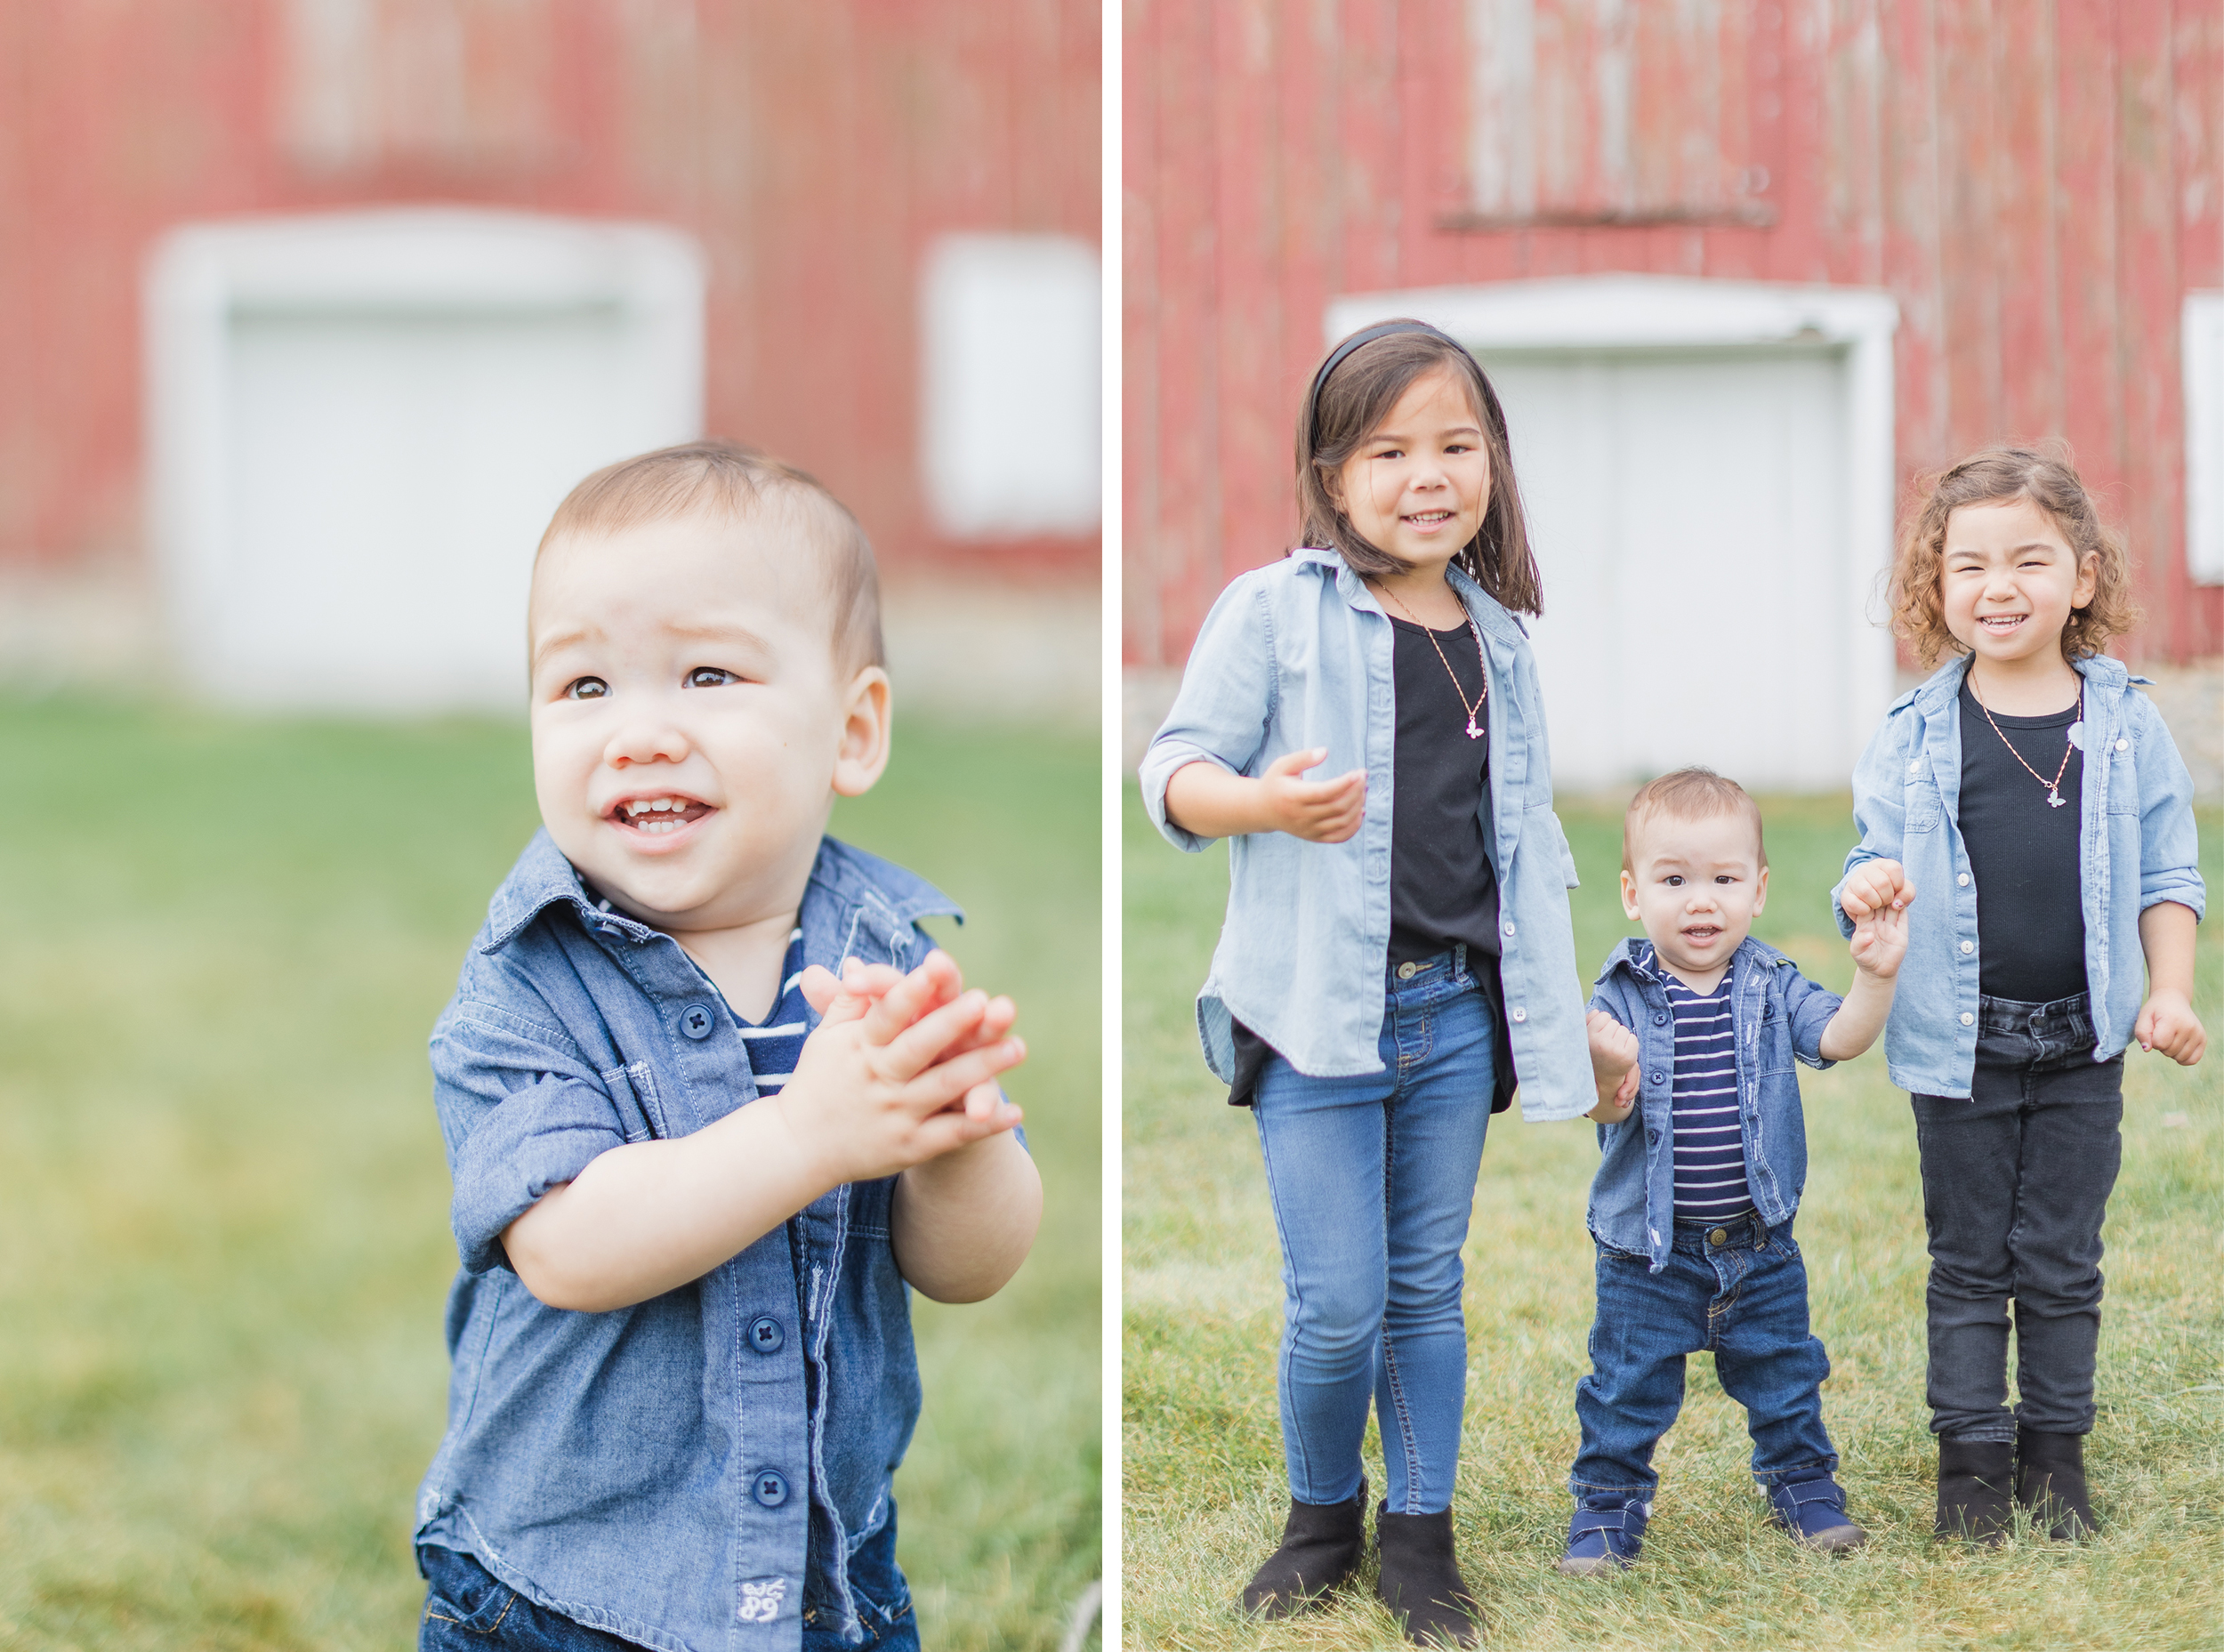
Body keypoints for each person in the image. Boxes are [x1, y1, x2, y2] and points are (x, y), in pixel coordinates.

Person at [411, 441, 1044, 1651]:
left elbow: (966, 1268)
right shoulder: (525, 985)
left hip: (826, 1587)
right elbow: (569, 1244)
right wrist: (806, 1135)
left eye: (706, 673)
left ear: (853, 733)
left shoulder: (883, 966)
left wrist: (957, 1145)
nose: (638, 731)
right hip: (557, 1598)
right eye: (584, 687)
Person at [1140, 319, 1591, 1648]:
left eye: (1456, 445)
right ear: (1334, 478)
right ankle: (1321, 1515)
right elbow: (1170, 769)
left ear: (1492, 465)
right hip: (1315, 1014)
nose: (1427, 475)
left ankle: (1422, 1538)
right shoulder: (1275, 611)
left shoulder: (1499, 640)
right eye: (1389, 450)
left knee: (1425, 1288)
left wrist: (1576, 1029)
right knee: (1337, 1300)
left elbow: (1523, 850)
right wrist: (1261, 801)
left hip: (1450, 1016)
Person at [1835, 446, 2205, 1543]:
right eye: (1969, 566)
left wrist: (2171, 992)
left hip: (2084, 1041)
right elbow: (1868, 858)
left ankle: (2054, 1460)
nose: (1997, 587)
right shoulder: (1912, 732)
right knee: (1966, 1260)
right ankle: (1969, 1468)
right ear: (1934, 586)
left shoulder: (2127, 725)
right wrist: (1866, 885)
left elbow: (2168, 871)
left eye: (2028, 561)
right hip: (1960, 1044)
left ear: (2082, 577)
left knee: (2059, 1258)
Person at [1559, 769, 1906, 1574]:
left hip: (1759, 1244)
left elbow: (1840, 1039)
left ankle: (1804, 1484)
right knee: (1624, 1388)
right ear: (1632, 892)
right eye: (1674, 879)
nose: (1701, 900)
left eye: (1724, 878)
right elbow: (1601, 1109)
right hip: (1648, 1253)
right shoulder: (1618, 994)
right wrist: (1601, 1069)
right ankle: (1608, 1504)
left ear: (1758, 890)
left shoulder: (1772, 983)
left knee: (1786, 1377)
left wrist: (1876, 974)